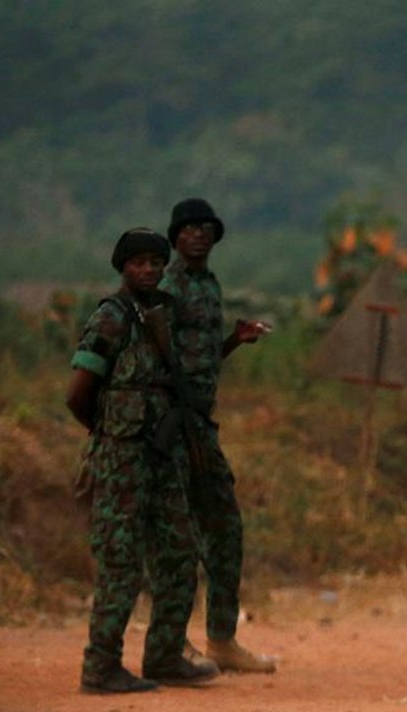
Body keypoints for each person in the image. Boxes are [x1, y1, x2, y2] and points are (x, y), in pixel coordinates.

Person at [67, 228, 218, 693]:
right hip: (122, 460)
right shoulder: (111, 318)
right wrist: (110, 430)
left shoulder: (163, 315)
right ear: (123, 267)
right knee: (122, 562)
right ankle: (101, 666)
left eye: (156, 261)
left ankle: (165, 656)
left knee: (180, 553)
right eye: (139, 263)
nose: (149, 269)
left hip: (162, 456)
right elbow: (77, 393)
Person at [158, 198, 275, 673]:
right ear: (176, 236)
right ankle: (170, 644)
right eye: (189, 228)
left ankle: (221, 640)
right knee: (176, 538)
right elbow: (157, 359)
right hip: (170, 426)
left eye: (206, 228)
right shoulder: (167, 286)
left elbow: (200, 361)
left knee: (225, 529)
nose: (199, 234)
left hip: (202, 425)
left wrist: (233, 341)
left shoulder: (208, 285)